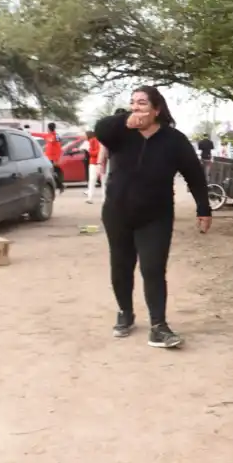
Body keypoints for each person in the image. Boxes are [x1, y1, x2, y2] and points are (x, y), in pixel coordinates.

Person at [95, 89, 213, 348]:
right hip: (117, 212)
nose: (136, 108)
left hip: (156, 216)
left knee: (153, 268)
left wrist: (203, 209)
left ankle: (158, 326)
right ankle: (125, 313)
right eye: (132, 103)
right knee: (121, 265)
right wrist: (124, 121)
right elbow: (100, 129)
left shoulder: (174, 140)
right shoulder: (120, 133)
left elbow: (194, 175)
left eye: (142, 103)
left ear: (156, 109)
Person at [43, 122, 65, 193]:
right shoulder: (47, 135)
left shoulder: (56, 136)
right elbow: (39, 134)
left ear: (49, 128)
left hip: (53, 159)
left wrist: (57, 159)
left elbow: (59, 148)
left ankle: (60, 186)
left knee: (54, 172)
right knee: (52, 173)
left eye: (47, 128)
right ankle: (60, 186)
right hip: (48, 158)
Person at [82, 130, 102, 204]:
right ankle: (90, 197)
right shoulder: (93, 140)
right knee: (97, 180)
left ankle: (90, 197)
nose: (84, 136)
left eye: (85, 135)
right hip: (96, 161)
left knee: (92, 180)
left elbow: (96, 151)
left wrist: (89, 151)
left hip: (94, 162)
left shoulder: (93, 141)